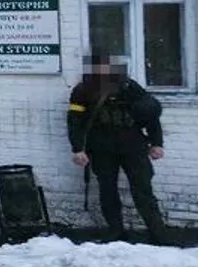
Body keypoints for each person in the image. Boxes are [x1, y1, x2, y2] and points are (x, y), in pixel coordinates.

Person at [67, 54, 167, 243]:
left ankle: (158, 232)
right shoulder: (83, 91)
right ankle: (115, 232)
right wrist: (78, 148)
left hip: (133, 147)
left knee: (143, 190)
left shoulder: (129, 87)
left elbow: (150, 115)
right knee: (108, 191)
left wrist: (157, 143)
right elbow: (75, 121)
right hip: (102, 148)